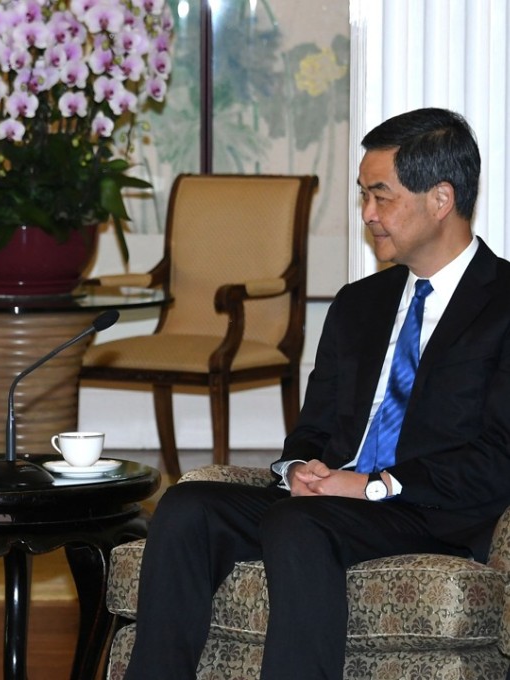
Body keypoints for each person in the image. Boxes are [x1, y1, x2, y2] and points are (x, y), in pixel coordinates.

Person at [124, 107, 510, 680]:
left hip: (429, 512)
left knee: (297, 525)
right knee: (185, 508)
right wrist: (301, 466)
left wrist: (375, 485)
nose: (368, 215)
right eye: (363, 196)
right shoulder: (359, 304)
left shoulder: (502, 304)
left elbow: (498, 458)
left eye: (382, 196)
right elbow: (314, 424)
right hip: (334, 501)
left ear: (441, 198)